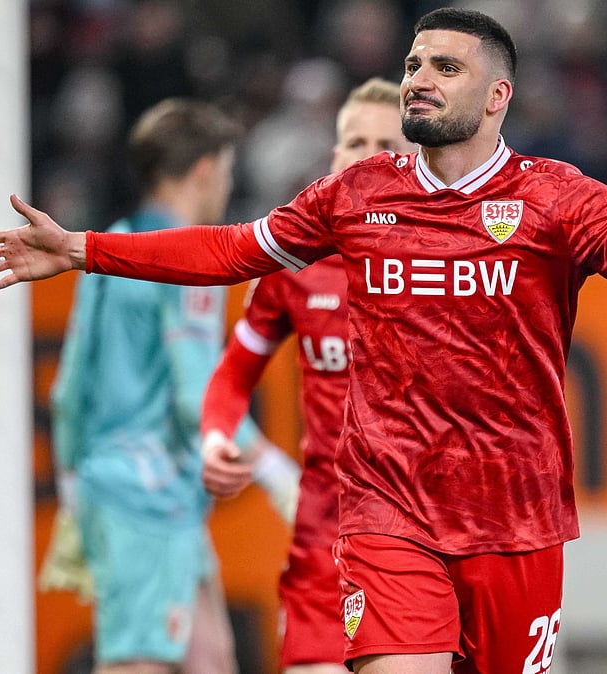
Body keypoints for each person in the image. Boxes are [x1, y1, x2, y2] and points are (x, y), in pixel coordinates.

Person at [0, 9, 607, 673]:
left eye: (442, 68)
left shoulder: (557, 200)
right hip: (387, 512)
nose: (419, 79)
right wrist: (84, 249)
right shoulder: (356, 194)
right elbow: (233, 250)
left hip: (517, 520)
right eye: (414, 65)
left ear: (498, 95)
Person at [199, 77, 415, 674]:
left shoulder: (453, 261)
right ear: (335, 156)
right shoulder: (296, 261)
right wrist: (218, 435)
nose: (367, 156)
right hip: (325, 536)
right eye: (354, 142)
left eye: (385, 143)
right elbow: (233, 376)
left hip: (422, 537)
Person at [45, 98, 247, 673]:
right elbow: (195, 398)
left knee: (211, 655)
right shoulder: (196, 257)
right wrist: (265, 463)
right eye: (228, 172)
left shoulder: (108, 244)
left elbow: (67, 391)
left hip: (121, 487)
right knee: (138, 664)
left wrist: (72, 494)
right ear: (204, 170)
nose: (228, 188)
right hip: (149, 498)